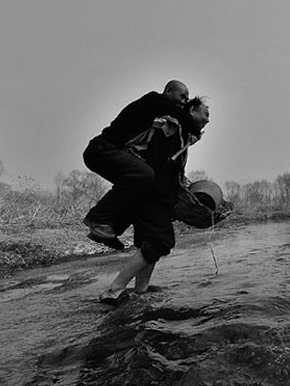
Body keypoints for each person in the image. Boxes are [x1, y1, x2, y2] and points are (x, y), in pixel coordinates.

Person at [98, 97, 210, 305]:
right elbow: (156, 163)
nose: (207, 120)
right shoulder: (169, 127)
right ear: (191, 111)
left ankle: (140, 292)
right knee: (161, 242)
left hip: (155, 196)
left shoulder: (181, 135)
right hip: (152, 196)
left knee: (149, 244)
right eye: (205, 114)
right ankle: (114, 289)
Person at [82, 80, 190, 250]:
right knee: (143, 174)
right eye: (182, 96)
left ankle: (109, 230)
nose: (183, 101)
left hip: (113, 152)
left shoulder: (159, 118)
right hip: (103, 149)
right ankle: (98, 218)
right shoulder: (154, 100)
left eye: (187, 99)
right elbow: (183, 115)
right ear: (169, 91)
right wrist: (195, 125)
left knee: (144, 185)